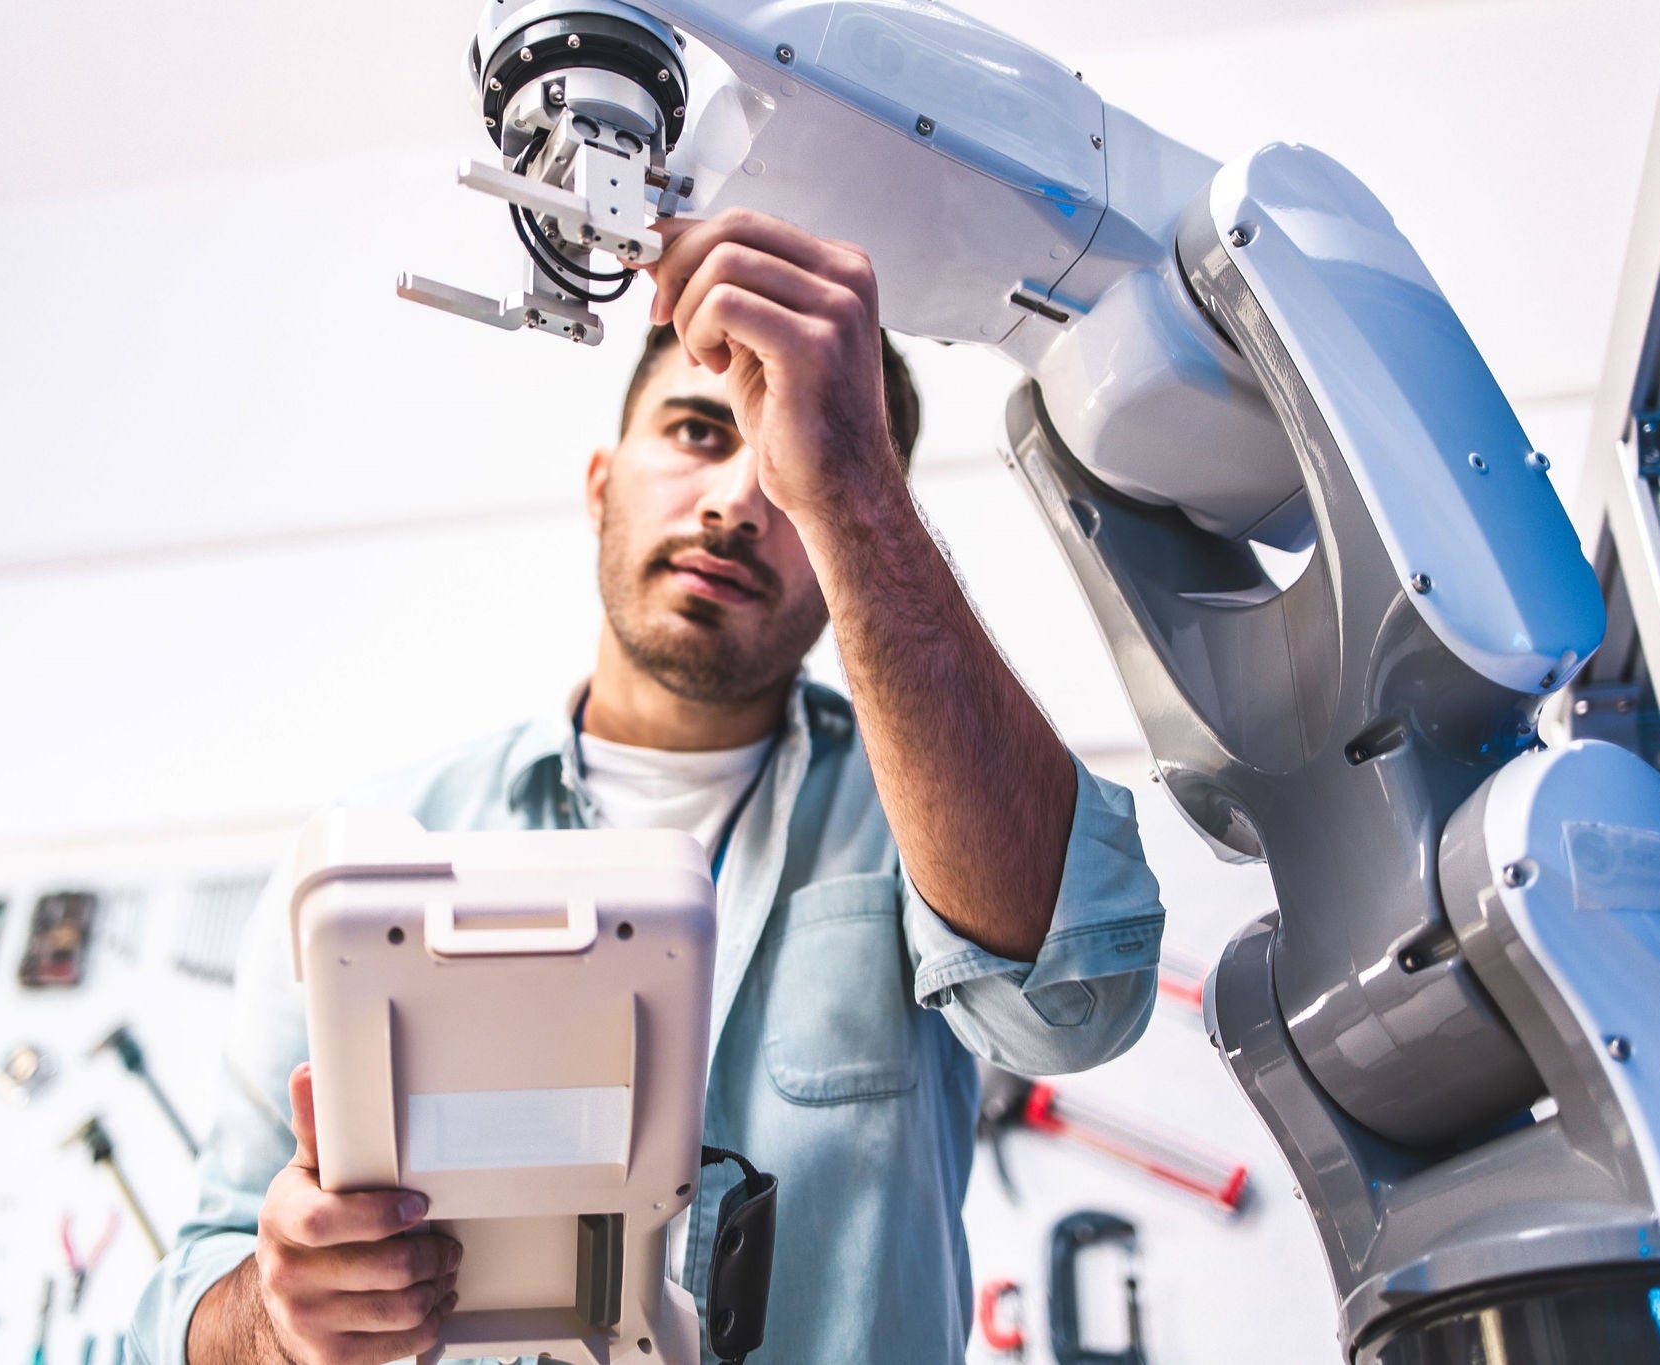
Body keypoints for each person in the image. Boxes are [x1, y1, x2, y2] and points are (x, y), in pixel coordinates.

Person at [130, 209, 1165, 1364]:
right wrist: (276, 1314)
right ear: (598, 483)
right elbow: (172, 1308)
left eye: (787, 467)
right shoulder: (374, 851)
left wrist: (857, 493)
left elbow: (1077, 1005)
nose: (734, 499)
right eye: (692, 430)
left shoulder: (919, 823)